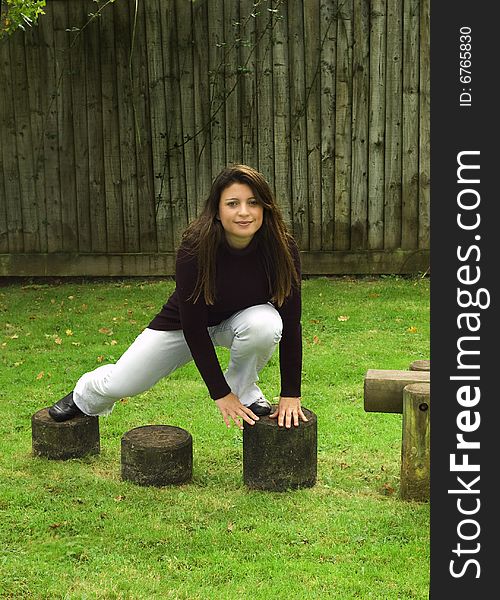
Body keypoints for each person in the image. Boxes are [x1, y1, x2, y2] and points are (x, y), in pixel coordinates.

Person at [48, 164, 307, 430]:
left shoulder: (282, 249)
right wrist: (220, 393)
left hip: (241, 323)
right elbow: (194, 328)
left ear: (265, 207)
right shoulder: (196, 246)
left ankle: (243, 389)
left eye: (252, 202)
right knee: (124, 382)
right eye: (232, 203)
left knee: (267, 323)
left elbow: (290, 324)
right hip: (183, 326)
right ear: (217, 210)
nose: (244, 212)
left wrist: (290, 393)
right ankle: (84, 394)